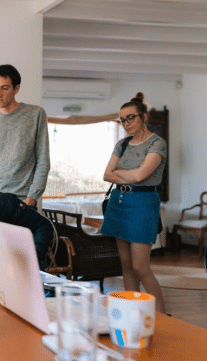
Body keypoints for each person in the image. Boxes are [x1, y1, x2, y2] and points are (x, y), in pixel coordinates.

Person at [101, 92, 167, 313]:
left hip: (143, 204)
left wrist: (121, 172)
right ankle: (133, 313)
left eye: (131, 117)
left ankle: (162, 317)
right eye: (122, 119)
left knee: (140, 267)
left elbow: (141, 176)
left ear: (144, 117)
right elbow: (107, 175)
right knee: (126, 267)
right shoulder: (122, 144)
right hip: (119, 202)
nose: (126, 123)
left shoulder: (157, 143)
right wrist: (127, 174)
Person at [0, 64, 50, 208]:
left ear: (16, 89)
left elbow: (43, 160)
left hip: (22, 200)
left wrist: (32, 198)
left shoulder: (35, 114)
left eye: (4, 88)